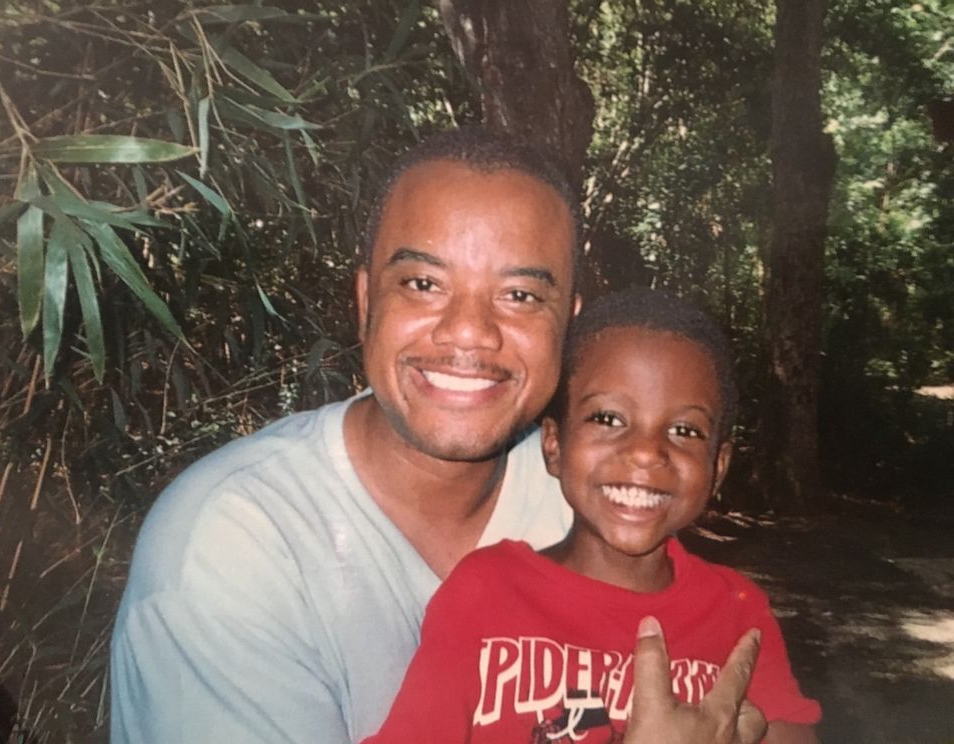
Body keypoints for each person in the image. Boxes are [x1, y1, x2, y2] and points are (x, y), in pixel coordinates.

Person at [110, 128, 768, 744]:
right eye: (423, 284)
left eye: (519, 296)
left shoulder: (591, 501)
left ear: (567, 327)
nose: (469, 332)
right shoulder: (238, 546)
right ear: (368, 303)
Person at [362, 289, 821, 743]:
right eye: (607, 419)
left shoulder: (737, 613)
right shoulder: (486, 592)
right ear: (554, 445)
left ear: (717, 467)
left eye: (684, 430)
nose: (646, 452)